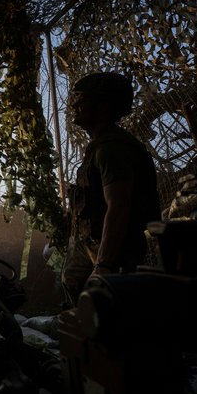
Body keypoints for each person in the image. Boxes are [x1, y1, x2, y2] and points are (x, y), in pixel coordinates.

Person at [62, 72, 161, 305]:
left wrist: (104, 265)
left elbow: (118, 205)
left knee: (108, 315)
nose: (76, 105)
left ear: (103, 107)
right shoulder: (99, 147)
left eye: (83, 100)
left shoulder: (112, 149)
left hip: (113, 256)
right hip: (93, 247)